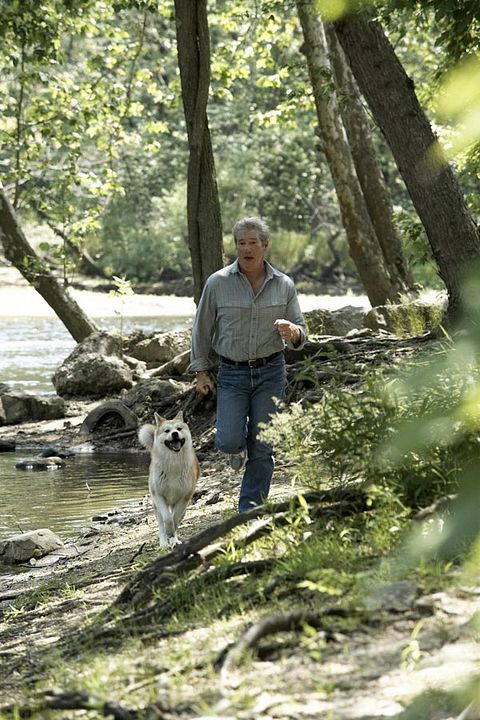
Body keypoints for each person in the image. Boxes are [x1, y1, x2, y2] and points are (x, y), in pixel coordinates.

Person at [190, 216, 307, 512]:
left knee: (264, 443)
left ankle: (250, 510)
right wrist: (201, 370)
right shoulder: (217, 283)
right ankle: (236, 450)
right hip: (231, 372)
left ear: (265, 245)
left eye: (252, 243)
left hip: (271, 371)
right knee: (228, 440)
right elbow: (201, 328)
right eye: (241, 243)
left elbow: (301, 332)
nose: (246, 249)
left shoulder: (284, 285)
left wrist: (293, 332)